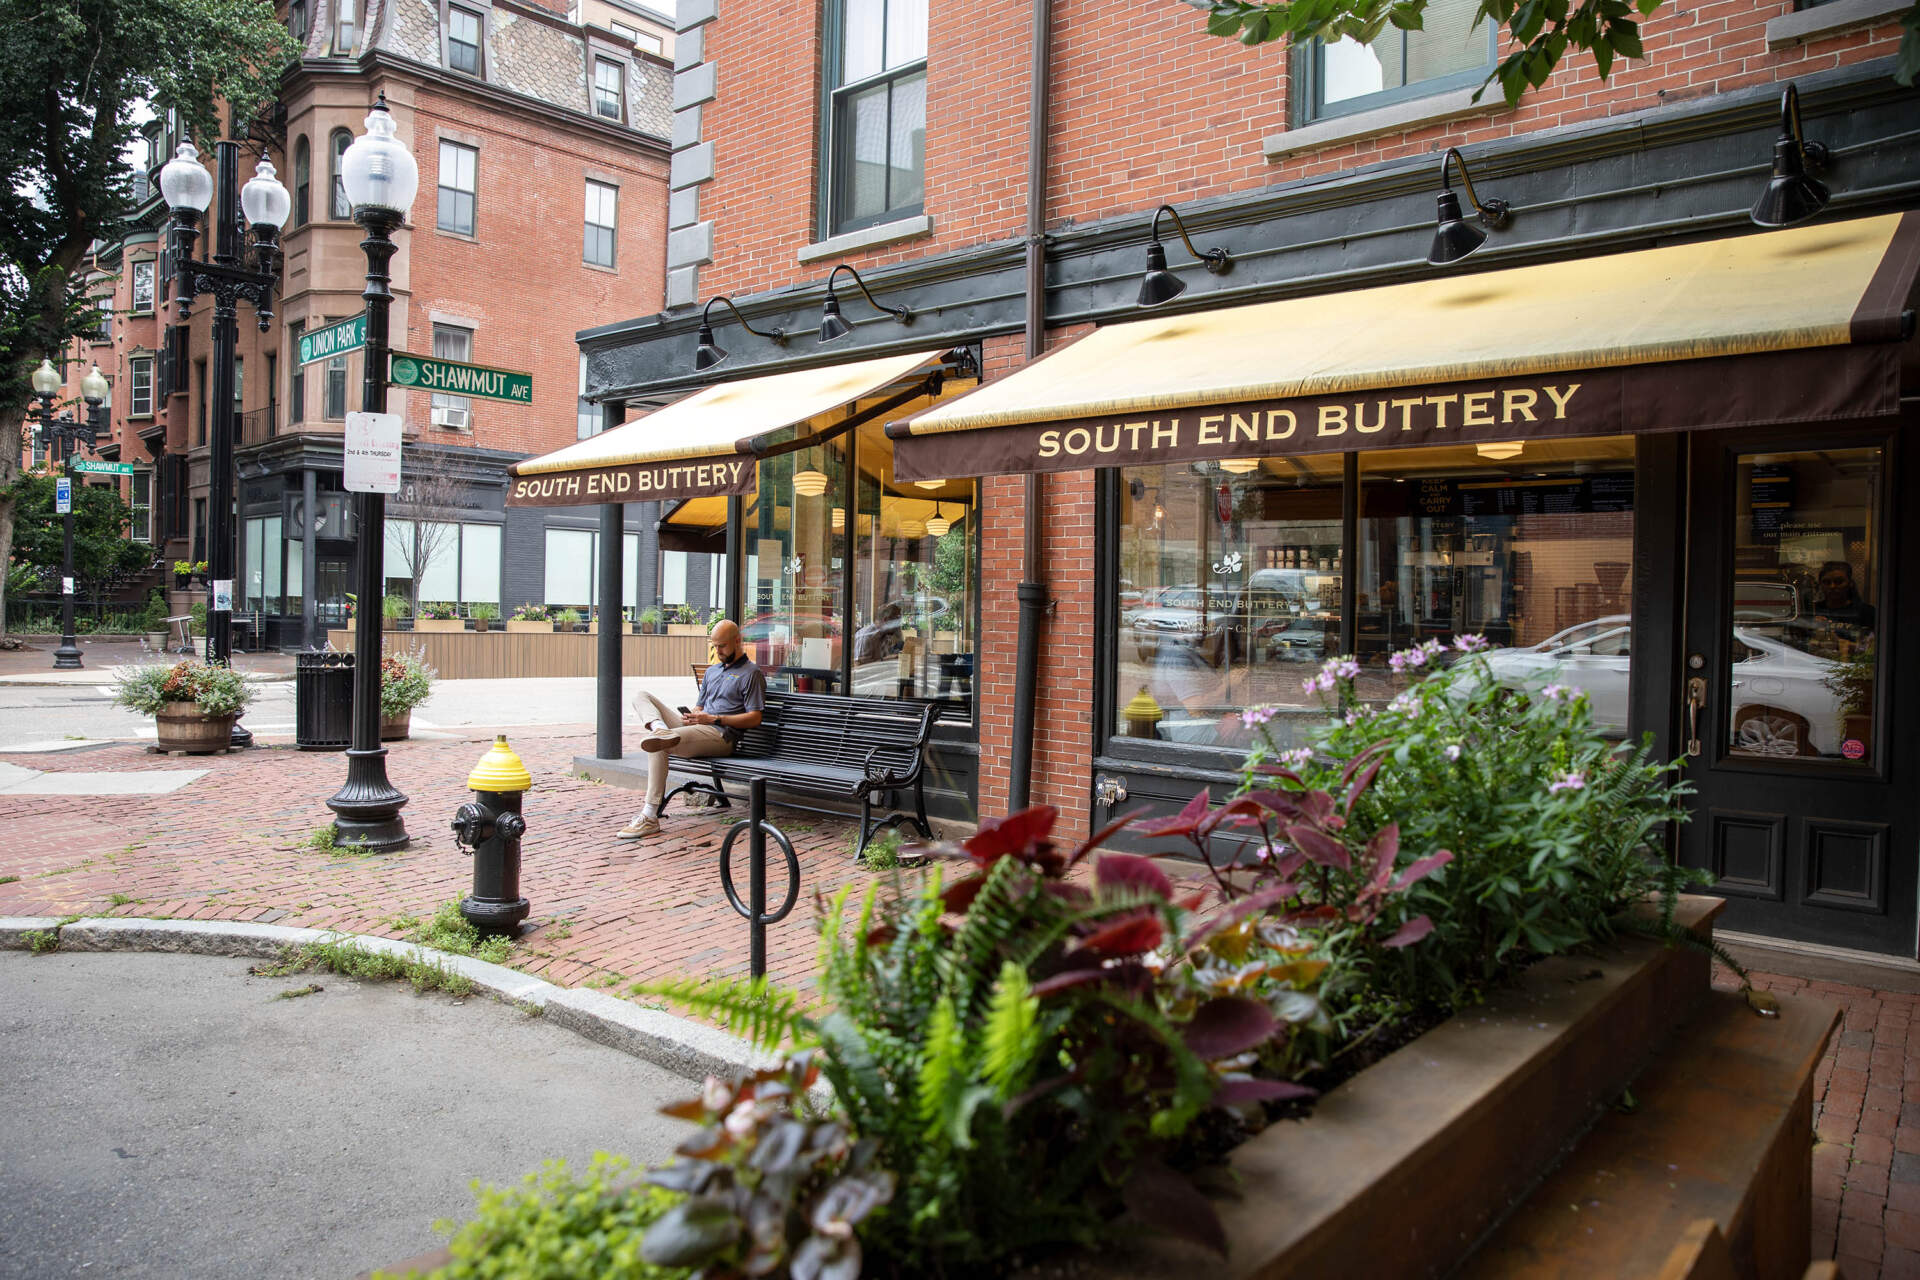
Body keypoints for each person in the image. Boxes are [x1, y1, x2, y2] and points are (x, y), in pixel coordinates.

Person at [618, 618, 765, 840]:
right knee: (642, 696)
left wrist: (715, 719)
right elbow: (700, 704)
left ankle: (649, 816)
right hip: (699, 727)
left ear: (737, 641)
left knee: (658, 745)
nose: (718, 651)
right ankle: (659, 728)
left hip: (720, 736)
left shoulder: (750, 673)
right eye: (714, 646)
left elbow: (755, 718)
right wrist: (694, 714)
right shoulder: (712, 672)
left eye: (722, 646)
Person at [1810, 560, 1876, 632]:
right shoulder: (1813, 611)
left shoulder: (1866, 612)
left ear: (1850, 583)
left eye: (1839, 581)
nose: (1832, 586)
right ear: (1820, 584)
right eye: (1826, 582)